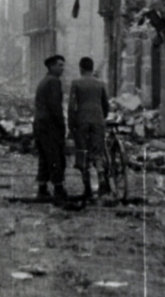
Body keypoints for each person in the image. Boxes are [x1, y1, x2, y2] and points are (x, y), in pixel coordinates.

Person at [67, 56, 109, 199]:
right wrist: (103, 116)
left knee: (83, 152)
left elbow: (72, 106)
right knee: (98, 151)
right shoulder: (100, 83)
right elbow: (105, 104)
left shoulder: (76, 83)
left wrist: (71, 124)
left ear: (81, 68)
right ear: (91, 68)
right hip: (98, 120)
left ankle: (87, 188)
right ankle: (101, 176)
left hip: (82, 121)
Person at [33, 54, 67, 204]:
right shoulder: (54, 82)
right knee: (55, 157)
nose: (62, 68)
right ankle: (58, 190)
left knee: (44, 157)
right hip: (50, 125)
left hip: (40, 124)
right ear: (52, 66)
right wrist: (62, 125)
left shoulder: (43, 81)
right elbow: (55, 107)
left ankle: (42, 189)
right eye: (60, 65)